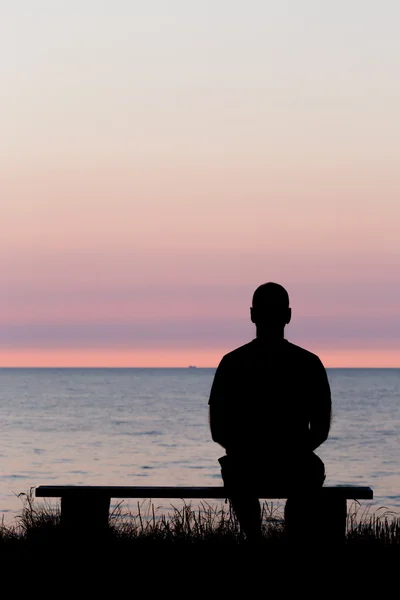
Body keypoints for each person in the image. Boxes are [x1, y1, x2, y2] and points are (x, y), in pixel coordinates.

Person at [208, 282, 332, 540]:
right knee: (311, 471)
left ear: (252, 314)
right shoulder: (309, 363)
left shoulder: (232, 363)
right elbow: (320, 430)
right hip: (296, 465)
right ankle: (293, 537)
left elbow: (218, 430)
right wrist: (292, 451)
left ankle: (254, 537)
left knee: (234, 469)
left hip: (245, 465)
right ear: (288, 315)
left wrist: (247, 449)